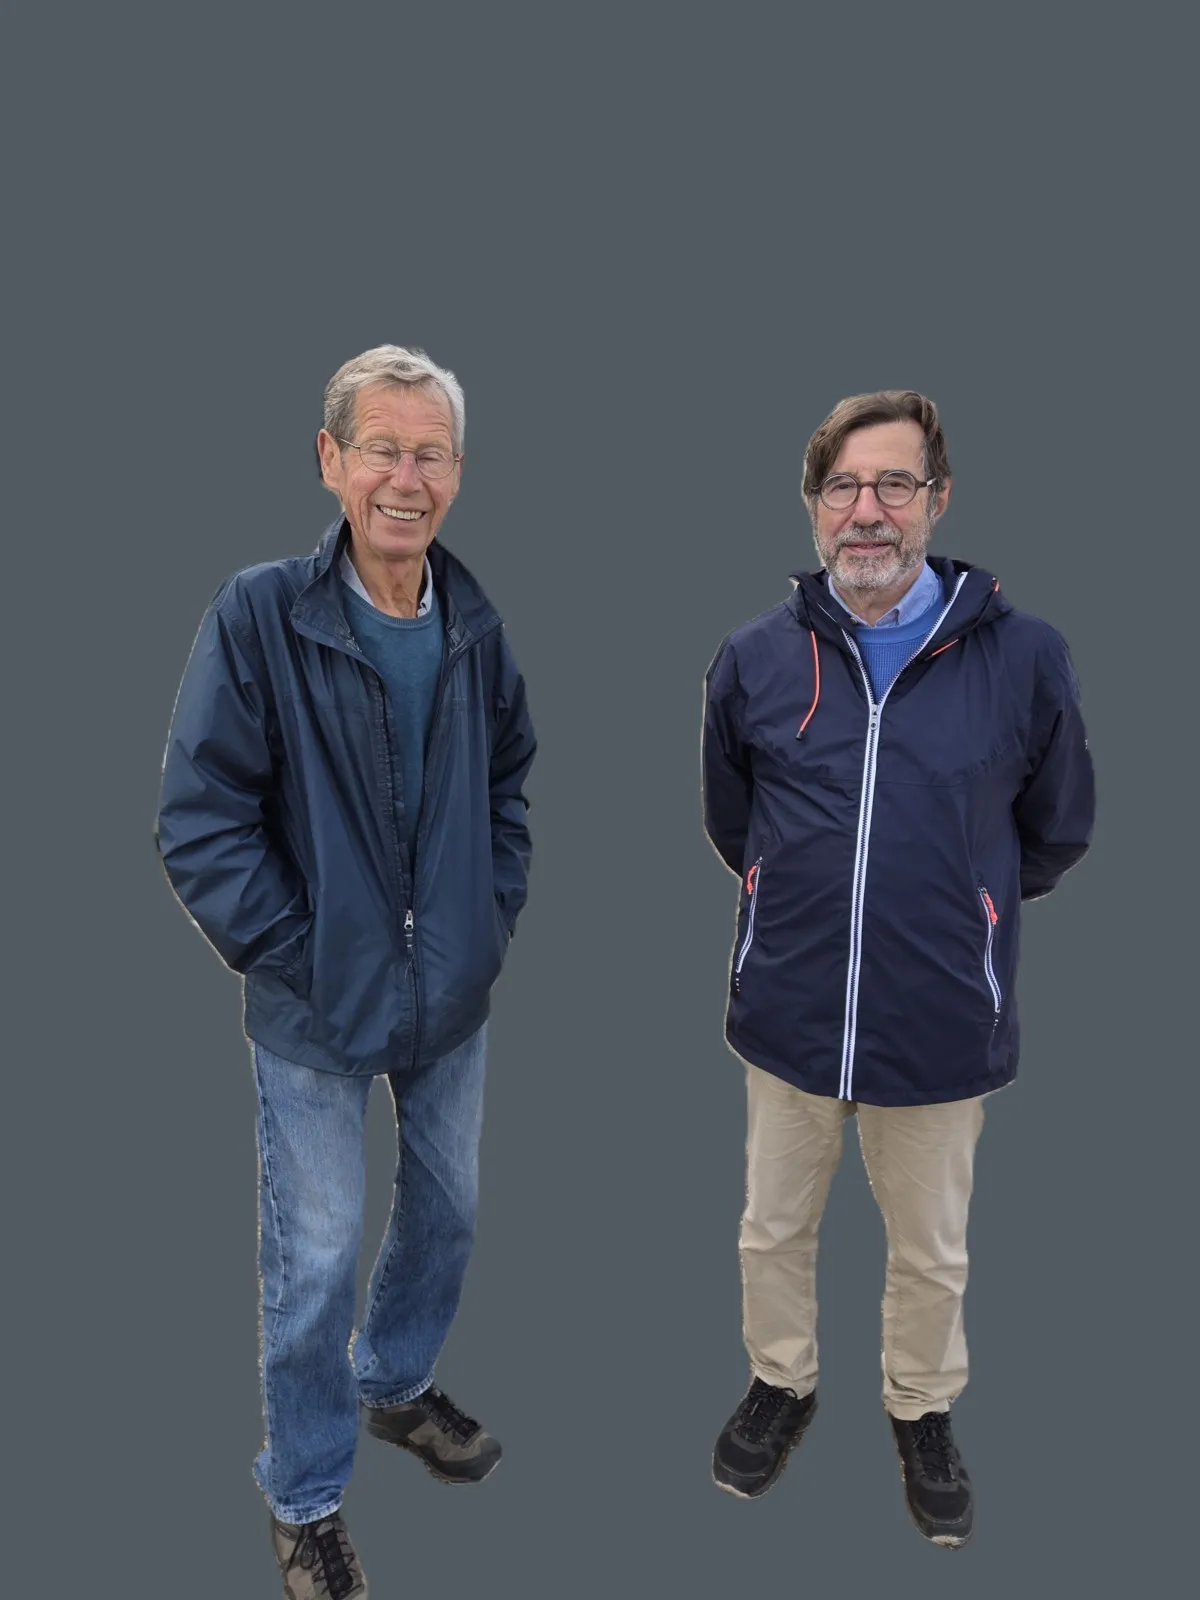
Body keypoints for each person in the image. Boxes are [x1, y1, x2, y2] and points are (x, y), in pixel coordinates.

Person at [156, 345, 535, 1598]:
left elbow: (509, 783)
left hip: (453, 998)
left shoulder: (475, 623)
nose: (404, 478)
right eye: (381, 448)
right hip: (314, 1005)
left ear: (458, 474)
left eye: (430, 453)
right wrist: (300, 951)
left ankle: (397, 1381)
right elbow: (199, 817)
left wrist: (487, 916)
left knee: (450, 1211)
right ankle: (307, 1491)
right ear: (331, 460)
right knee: (314, 1258)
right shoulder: (260, 614)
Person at [701, 390, 1093, 1547]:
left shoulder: (1025, 657)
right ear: (813, 505)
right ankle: (781, 1379)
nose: (866, 510)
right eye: (842, 486)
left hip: (938, 1018)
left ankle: (921, 1408)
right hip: (789, 1010)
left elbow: (1057, 828)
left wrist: (964, 912)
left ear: (938, 499)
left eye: (894, 484)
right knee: (771, 1228)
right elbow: (734, 820)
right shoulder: (755, 657)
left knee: (931, 1249)